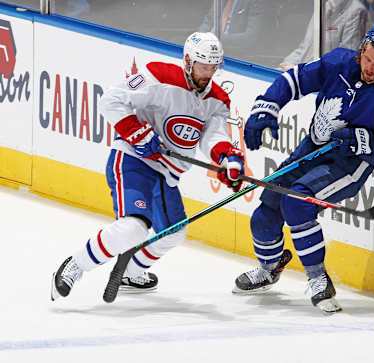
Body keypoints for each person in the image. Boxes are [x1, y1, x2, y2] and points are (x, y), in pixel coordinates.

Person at [233, 24, 374, 312]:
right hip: (313, 147)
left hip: (351, 164)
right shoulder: (339, 62)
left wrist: (361, 139)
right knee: (266, 211)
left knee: (296, 202)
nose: (370, 67)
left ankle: (318, 279)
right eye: (367, 59)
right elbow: (293, 80)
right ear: (361, 52)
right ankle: (269, 268)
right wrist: (266, 106)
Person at [51, 32, 245, 300]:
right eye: (203, 66)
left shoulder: (218, 99)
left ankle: (130, 273)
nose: (208, 73)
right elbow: (111, 100)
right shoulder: (158, 76)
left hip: (168, 174)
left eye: (214, 67)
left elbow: (215, 136)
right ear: (188, 61)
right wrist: (136, 133)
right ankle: (75, 265)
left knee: (174, 233)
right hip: (134, 160)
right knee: (133, 228)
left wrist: (227, 159)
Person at [278, 0, 368, 71]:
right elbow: (305, 48)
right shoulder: (323, 6)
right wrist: (285, 64)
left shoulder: (356, 10)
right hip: (304, 74)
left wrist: (299, 70)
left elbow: (346, 60)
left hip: (323, 83)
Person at [198, 0, 267, 58]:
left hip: (234, 56)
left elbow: (250, 37)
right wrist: (201, 38)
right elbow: (207, 21)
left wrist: (216, 38)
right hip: (207, 50)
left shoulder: (256, 2)